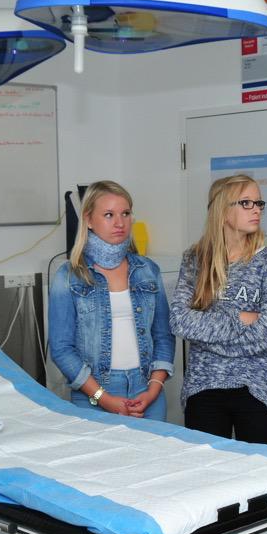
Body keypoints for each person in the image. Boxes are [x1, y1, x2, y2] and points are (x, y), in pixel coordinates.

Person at [169, 173, 267, 534]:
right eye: (246, 203)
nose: (256, 210)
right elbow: (180, 321)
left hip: (257, 390)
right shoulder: (195, 259)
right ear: (224, 209)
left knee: (259, 496)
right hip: (204, 391)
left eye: (259, 203)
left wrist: (216, 327)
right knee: (214, 496)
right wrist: (241, 320)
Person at [49, 180, 173, 419]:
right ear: (88, 219)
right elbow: (62, 349)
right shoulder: (69, 276)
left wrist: (153, 390)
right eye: (109, 215)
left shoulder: (148, 270)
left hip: (147, 391)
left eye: (125, 213)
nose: (120, 223)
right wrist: (104, 399)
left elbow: (163, 336)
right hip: (94, 394)